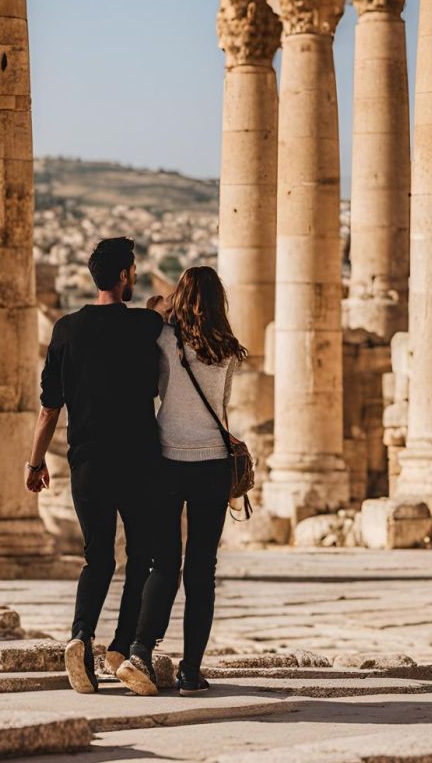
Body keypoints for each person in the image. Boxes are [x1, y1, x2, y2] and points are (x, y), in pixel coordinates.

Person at [25, 236, 163, 694]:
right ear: (124, 276)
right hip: (139, 461)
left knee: (98, 558)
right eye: (134, 269)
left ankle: (81, 636)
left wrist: (35, 462)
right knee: (141, 557)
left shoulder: (65, 329)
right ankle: (122, 648)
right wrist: (156, 309)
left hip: (88, 463)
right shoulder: (145, 326)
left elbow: (49, 409)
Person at [116, 266, 248, 696]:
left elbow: (153, 388)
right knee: (202, 571)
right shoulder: (228, 348)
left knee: (164, 562)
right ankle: (191, 671)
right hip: (212, 463)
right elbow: (222, 406)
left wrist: (161, 309)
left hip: (167, 459)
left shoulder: (165, 341)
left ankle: (140, 651)